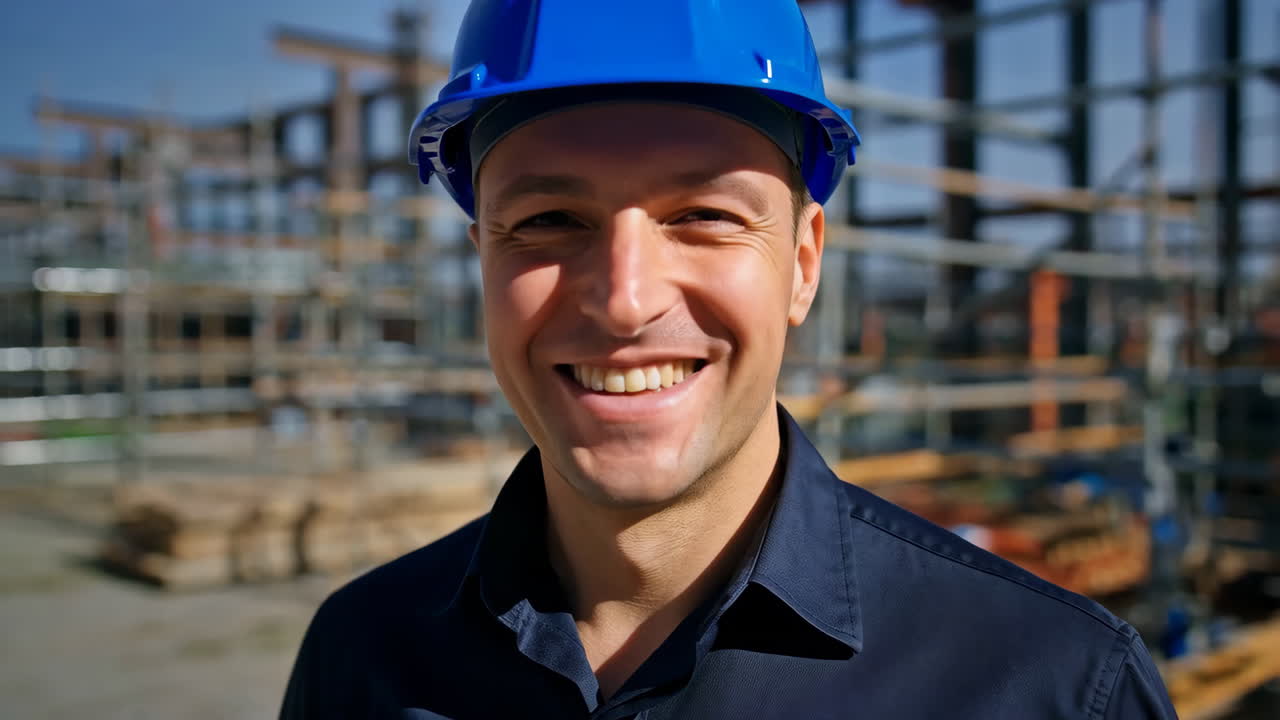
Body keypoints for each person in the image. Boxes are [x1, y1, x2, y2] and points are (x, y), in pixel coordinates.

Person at [280, 1, 1178, 718]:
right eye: (549, 221)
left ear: (801, 263)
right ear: (483, 257)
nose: (625, 299)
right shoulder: (365, 654)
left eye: (704, 216)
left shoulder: (1049, 687)